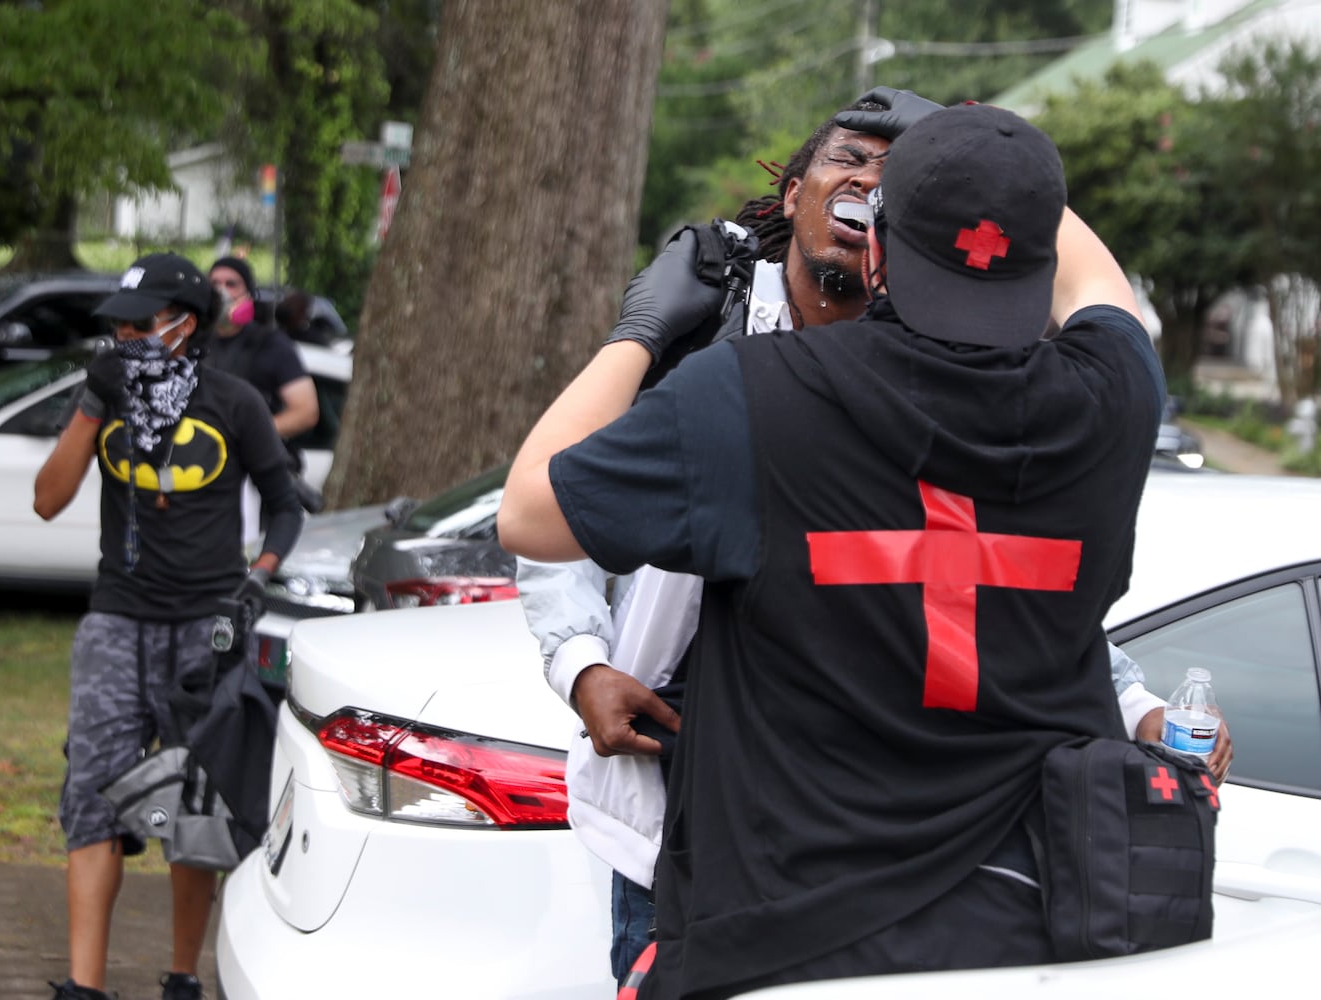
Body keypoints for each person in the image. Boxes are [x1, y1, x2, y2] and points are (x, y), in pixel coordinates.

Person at [516, 90, 1231, 988]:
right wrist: (989, 155)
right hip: (1026, 926)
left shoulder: (751, 396)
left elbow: (529, 512)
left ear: (881, 250)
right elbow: (1101, 287)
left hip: (785, 930)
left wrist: (639, 328)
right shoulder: (1113, 401)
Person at [33, 252, 304, 1000]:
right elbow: (47, 500)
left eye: (139, 322)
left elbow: (285, 503)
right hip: (117, 623)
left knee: (197, 804)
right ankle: (84, 986)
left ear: (187, 323)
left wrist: (260, 574)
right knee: (91, 793)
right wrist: (92, 403)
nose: (123, 335)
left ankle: (183, 975)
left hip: (208, 629)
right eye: (117, 324)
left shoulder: (236, 402)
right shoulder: (106, 396)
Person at [200, 257, 321, 529]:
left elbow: (306, 411)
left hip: (256, 477)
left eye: (232, 284)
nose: (222, 291)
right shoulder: (193, 343)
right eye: (215, 284)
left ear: (249, 294)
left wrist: (251, 434)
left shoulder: (271, 345)